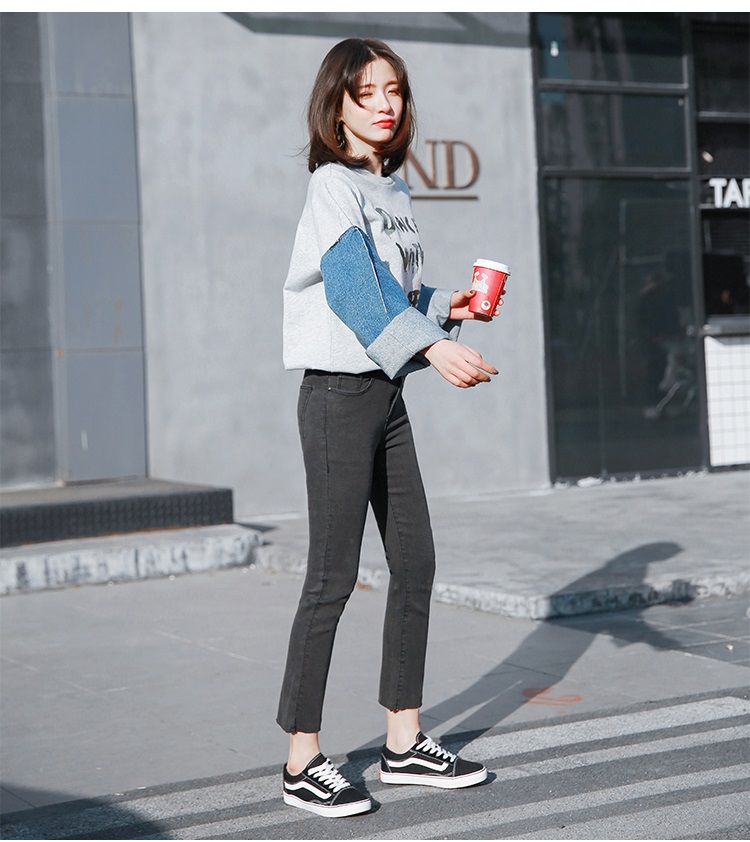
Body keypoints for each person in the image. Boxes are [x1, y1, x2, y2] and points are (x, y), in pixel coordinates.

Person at [278, 37, 502, 818]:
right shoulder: (331, 185)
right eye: (365, 91)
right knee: (332, 576)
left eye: (394, 90)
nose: (384, 103)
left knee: (415, 560)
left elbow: (393, 285)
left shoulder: (392, 189)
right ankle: (301, 758)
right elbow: (353, 287)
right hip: (338, 396)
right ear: (336, 106)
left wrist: (446, 306)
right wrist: (434, 346)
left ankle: (403, 743)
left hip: (386, 394)